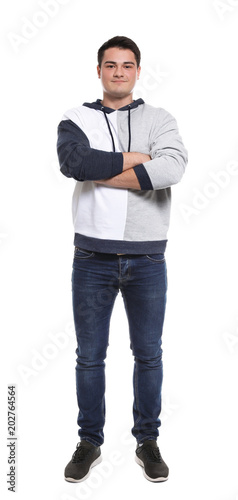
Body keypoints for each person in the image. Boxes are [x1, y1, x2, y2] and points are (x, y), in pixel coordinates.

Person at [57, 35, 188, 483]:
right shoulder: (76, 118)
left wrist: (101, 170)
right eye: (110, 65)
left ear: (137, 71)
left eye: (126, 65)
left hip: (147, 258)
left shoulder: (160, 118)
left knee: (148, 354)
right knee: (89, 356)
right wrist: (136, 162)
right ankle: (89, 441)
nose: (118, 72)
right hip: (90, 255)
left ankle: (146, 440)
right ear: (98, 71)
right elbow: (72, 161)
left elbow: (173, 168)